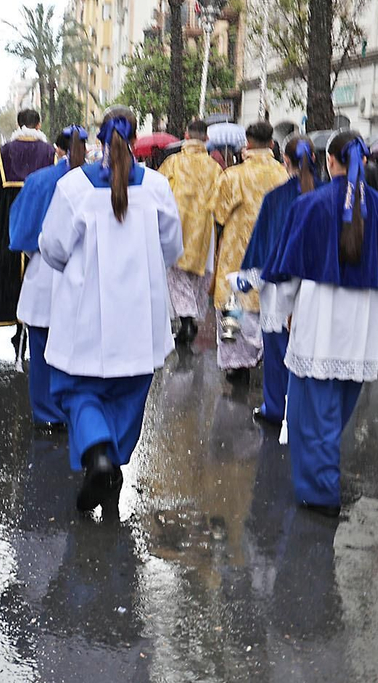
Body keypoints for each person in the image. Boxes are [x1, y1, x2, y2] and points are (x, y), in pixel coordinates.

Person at [262, 133, 378, 514]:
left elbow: (287, 271)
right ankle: (324, 476)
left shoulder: (310, 204)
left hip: (321, 316)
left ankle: (320, 490)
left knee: (311, 412)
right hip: (363, 321)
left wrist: (278, 313)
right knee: (338, 407)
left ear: (331, 160)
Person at [38, 107, 181, 509]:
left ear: (100, 139)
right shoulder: (155, 187)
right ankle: (112, 466)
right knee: (127, 396)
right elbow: (171, 247)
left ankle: (99, 457)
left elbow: (53, 248)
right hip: (139, 317)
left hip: (87, 317)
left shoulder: (74, 187)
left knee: (79, 392)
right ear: (136, 141)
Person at [8, 124, 89, 429]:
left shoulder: (39, 181)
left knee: (41, 349)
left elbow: (22, 232)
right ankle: (75, 410)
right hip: (83, 272)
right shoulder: (94, 181)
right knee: (77, 349)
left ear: (57, 149)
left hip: (43, 271)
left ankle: (46, 414)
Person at [244, 133, 315, 425]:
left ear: (286, 160)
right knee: (311, 349)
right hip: (315, 285)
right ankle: (306, 409)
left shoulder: (276, 199)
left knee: (276, 350)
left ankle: (276, 407)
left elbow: (263, 244)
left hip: (279, 285)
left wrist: (248, 277)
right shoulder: (327, 195)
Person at [212, 120, 288, 381]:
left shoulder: (233, 175)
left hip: (238, 253)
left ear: (247, 143)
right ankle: (266, 358)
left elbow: (219, 214)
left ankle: (237, 366)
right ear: (270, 144)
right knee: (268, 306)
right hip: (273, 251)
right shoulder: (283, 175)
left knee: (233, 306)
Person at [0, 108, 56, 328]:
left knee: (8, 276)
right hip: (40, 226)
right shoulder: (50, 153)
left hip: (7, 227)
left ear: (19, 125)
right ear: (38, 125)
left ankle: (15, 326)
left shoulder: (3, 153)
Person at [159, 117, 221, 342]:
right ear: (206, 138)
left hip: (176, 226)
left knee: (176, 275)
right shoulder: (215, 168)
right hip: (204, 229)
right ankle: (190, 319)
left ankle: (186, 320)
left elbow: (158, 191)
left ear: (186, 136)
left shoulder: (173, 163)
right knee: (198, 275)